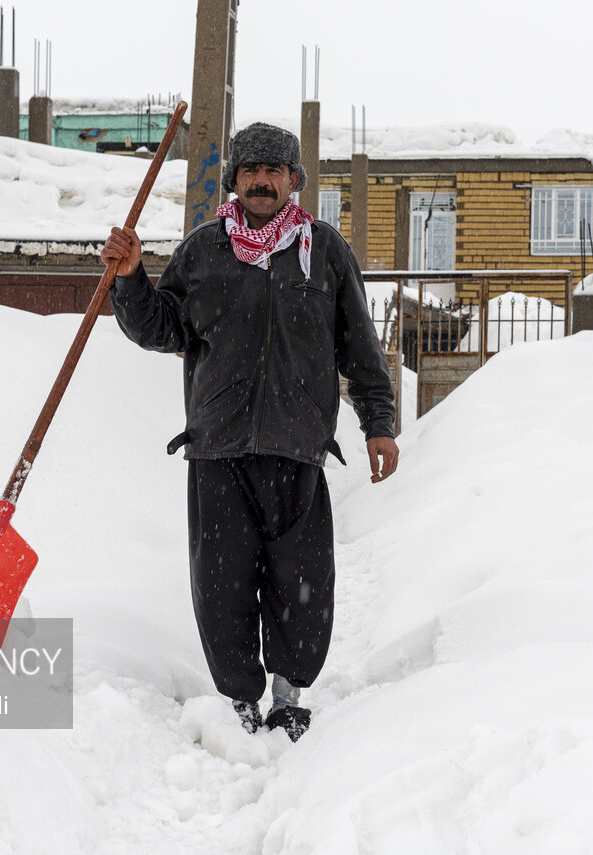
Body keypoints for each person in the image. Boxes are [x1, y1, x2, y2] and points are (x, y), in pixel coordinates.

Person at [102, 122, 398, 741]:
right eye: (250, 170)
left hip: (299, 448)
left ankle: (290, 694)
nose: (262, 180)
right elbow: (163, 329)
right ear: (235, 178)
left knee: (302, 583)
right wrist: (131, 280)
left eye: (276, 170)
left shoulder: (326, 251)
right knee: (222, 585)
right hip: (219, 447)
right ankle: (238, 697)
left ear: (295, 180)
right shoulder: (203, 250)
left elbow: (359, 348)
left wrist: (378, 424)